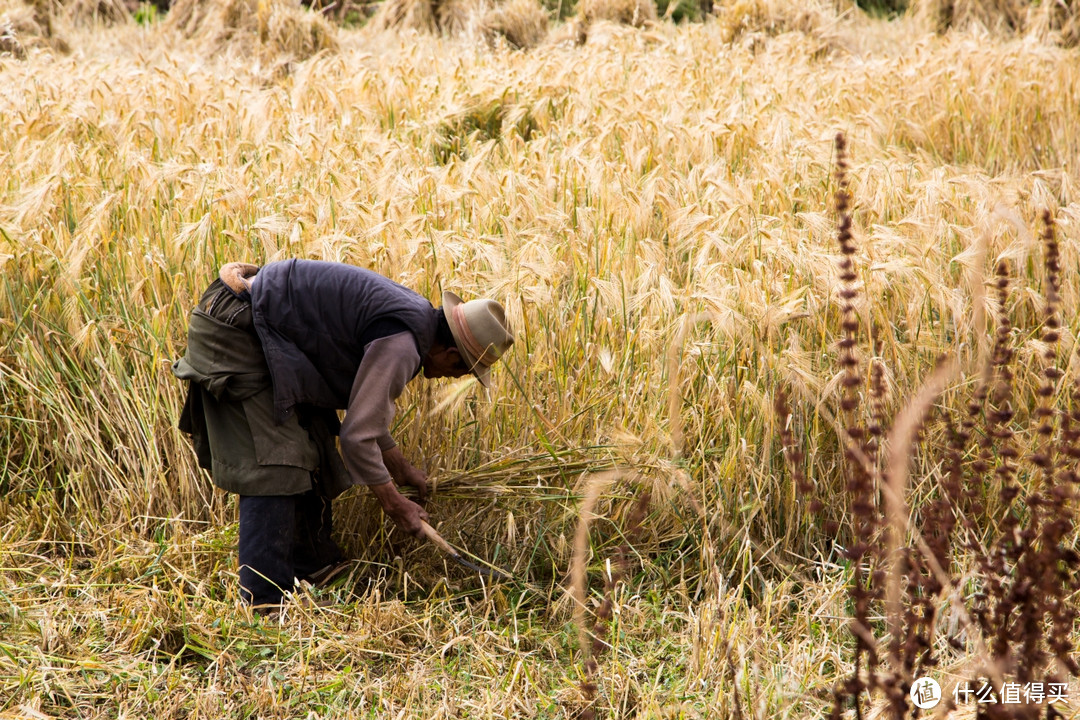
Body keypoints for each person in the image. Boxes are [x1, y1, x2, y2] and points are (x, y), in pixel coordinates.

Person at [172, 259, 514, 612]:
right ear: (452, 355)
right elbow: (357, 436)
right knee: (277, 462)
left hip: (267, 332)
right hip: (238, 329)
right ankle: (264, 603)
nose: (452, 379)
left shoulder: (415, 321)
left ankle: (312, 568)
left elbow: (365, 416)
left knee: (315, 444)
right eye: (463, 371)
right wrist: (395, 504)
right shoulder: (403, 344)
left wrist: (401, 468)